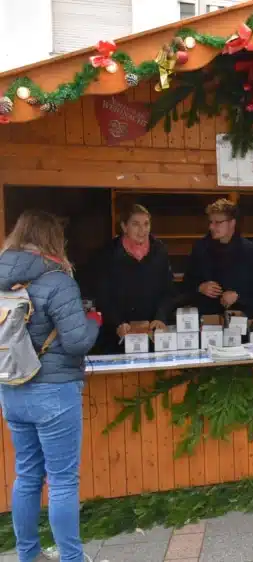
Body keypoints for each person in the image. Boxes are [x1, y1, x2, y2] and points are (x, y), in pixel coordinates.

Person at [0, 210, 100, 562]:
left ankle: (28, 555)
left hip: (11, 388)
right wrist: (94, 321)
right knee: (62, 481)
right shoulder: (57, 281)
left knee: (26, 474)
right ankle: (71, 558)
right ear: (52, 239)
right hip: (54, 391)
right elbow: (76, 343)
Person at [95, 204, 175, 352]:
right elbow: (102, 295)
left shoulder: (159, 251)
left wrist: (160, 317)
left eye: (146, 224)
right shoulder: (108, 254)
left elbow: (168, 290)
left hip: (152, 331)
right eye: (136, 224)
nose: (142, 230)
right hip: (119, 334)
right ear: (124, 227)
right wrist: (117, 323)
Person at [183, 198, 253, 318]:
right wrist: (200, 287)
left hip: (241, 319)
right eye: (211, 222)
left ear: (232, 223)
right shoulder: (200, 248)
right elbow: (187, 282)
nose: (212, 227)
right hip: (208, 319)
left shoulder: (252, 251)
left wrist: (239, 296)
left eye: (218, 222)